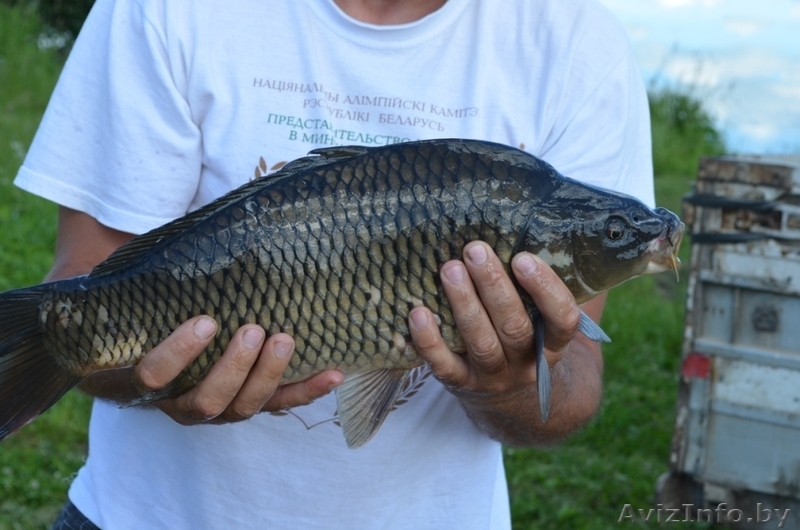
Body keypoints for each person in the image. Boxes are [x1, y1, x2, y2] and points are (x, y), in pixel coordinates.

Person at [15, 0, 654, 528]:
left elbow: (573, 382)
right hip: (142, 515)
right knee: (76, 327)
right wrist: (153, 375)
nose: (641, 240)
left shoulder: (576, 41)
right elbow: (92, 275)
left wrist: (512, 380)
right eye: (618, 232)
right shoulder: (160, 10)